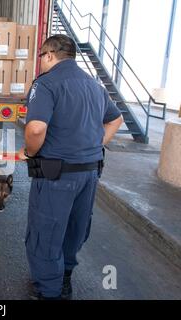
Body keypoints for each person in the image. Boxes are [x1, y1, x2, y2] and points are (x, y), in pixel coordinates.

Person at [18, 35, 123, 299]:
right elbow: (115, 120)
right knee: (74, 229)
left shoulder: (46, 84)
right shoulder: (94, 86)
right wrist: (92, 146)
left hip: (56, 173)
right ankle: (64, 279)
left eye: (41, 56)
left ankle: (49, 291)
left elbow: (36, 127)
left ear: (50, 55)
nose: (40, 61)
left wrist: (31, 152)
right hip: (89, 172)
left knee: (46, 233)